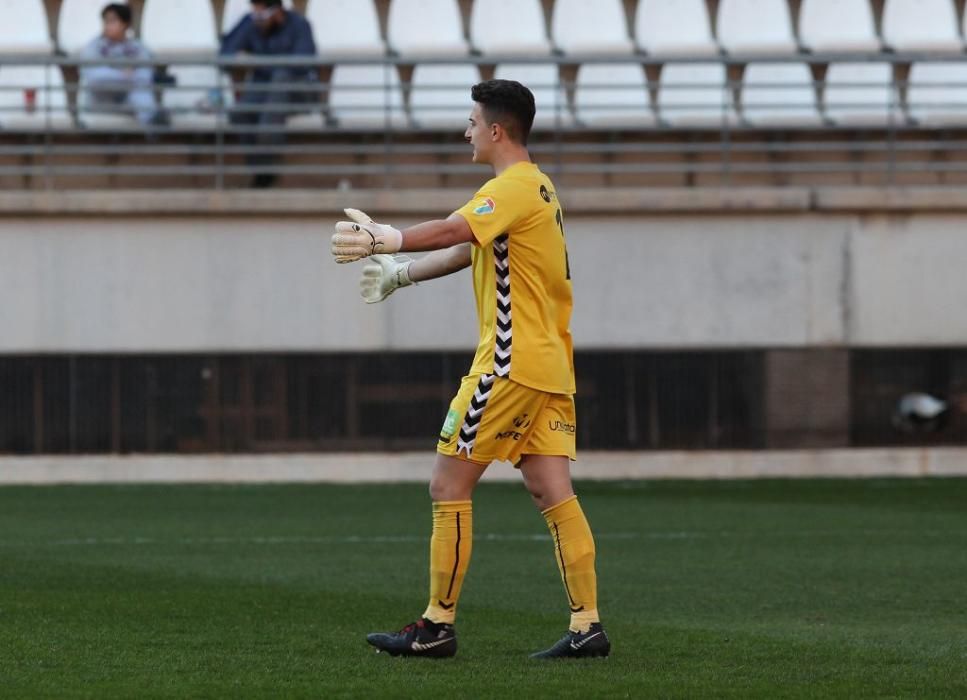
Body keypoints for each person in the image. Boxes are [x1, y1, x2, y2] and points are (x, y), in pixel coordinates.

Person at [330, 80, 610, 659]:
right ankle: (588, 626)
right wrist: (401, 271)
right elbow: (469, 249)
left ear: (496, 130)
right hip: (550, 366)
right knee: (551, 490)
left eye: (472, 122)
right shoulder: (537, 188)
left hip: (507, 366)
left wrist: (387, 238)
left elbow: (459, 229)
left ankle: (436, 627)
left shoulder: (508, 187)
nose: (467, 131)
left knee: (447, 484)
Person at [220, 0, 318, 188]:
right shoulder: (251, 23)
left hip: (297, 92)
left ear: (278, 11)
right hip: (263, 92)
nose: (258, 20)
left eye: (262, 16)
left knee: (281, 78)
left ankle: (265, 160)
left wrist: (257, 61)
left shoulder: (299, 25)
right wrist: (240, 58)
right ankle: (263, 169)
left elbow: (301, 64)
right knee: (240, 113)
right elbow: (225, 54)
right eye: (255, 15)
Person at [80, 3, 167, 126]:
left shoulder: (137, 47)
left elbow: (146, 76)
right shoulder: (93, 47)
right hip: (102, 104)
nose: (107, 25)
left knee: (141, 94)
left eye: (113, 21)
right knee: (138, 88)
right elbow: (95, 79)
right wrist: (123, 75)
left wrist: (125, 78)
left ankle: (153, 124)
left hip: (129, 104)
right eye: (106, 21)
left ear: (125, 24)